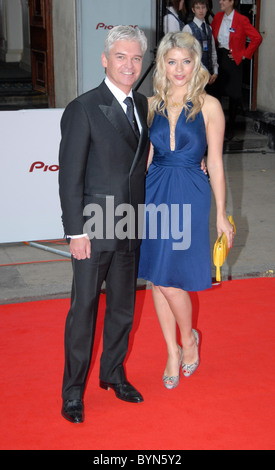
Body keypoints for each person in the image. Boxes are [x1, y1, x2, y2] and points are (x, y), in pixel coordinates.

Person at [58, 25, 150, 423]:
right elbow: (69, 177)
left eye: (136, 58)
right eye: (121, 57)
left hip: (130, 223)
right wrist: (76, 232)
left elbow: (140, 161)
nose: (129, 65)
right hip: (93, 230)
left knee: (123, 309)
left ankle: (112, 373)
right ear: (105, 59)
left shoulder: (143, 104)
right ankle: (73, 391)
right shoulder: (84, 108)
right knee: (84, 311)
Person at [138, 31, 234, 390]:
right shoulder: (150, 105)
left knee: (169, 278)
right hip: (154, 191)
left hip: (192, 192)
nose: (179, 69)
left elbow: (216, 163)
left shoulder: (209, 106)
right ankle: (173, 351)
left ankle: (189, 339)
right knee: (157, 278)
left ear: (197, 64)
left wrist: (221, 214)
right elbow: (143, 160)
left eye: (186, 61)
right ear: (162, 64)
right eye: (171, 61)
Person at [211, 0, 262, 139]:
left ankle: (230, 128)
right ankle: (217, 127)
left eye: (223, 0)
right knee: (217, 95)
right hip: (218, 59)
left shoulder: (241, 19)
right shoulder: (217, 17)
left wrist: (244, 55)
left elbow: (257, 38)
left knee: (233, 95)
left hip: (233, 61)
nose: (220, 2)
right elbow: (210, 36)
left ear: (231, 2)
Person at [183, 0, 218, 91]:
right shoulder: (188, 29)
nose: (201, 11)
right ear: (193, 10)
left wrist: (215, 71)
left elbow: (213, 51)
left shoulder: (208, 28)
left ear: (207, 9)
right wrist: (205, 71)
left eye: (203, 7)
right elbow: (189, 55)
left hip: (210, 75)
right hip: (195, 74)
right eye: (198, 8)